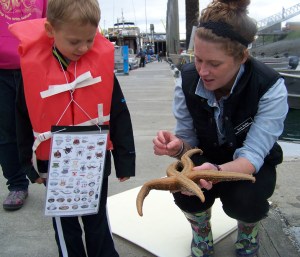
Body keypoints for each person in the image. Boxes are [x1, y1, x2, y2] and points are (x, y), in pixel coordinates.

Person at [152, 0, 288, 256]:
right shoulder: (187, 79)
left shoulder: (269, 87)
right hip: (206, 157)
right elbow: (188, 140)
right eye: (198, 59)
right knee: (183, 187)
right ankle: (201, 233)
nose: (202, 71)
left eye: (214, 64)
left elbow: (253, 155)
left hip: (249, 165)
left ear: (242, 57)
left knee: (247, 200)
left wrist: (215, 172)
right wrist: (178, 146)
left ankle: (248, 234)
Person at [10, 0, 135, 256]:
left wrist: (125, 160)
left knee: (97, 218)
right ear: (50, 30)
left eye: (90, 40)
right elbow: (21, 120)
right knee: (65, 224)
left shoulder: (100, 68)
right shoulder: (31, 72)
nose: (84, 48)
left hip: (95, 158)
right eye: (74, 41)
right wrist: (25, 164)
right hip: (54, 164)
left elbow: (120, 114)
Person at [0, 0, 47, 210]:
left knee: (48, 127)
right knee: (6, 131)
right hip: (1, 71)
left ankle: (58, 180)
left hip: (37, 65)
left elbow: (54, 21)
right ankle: (17, 184)